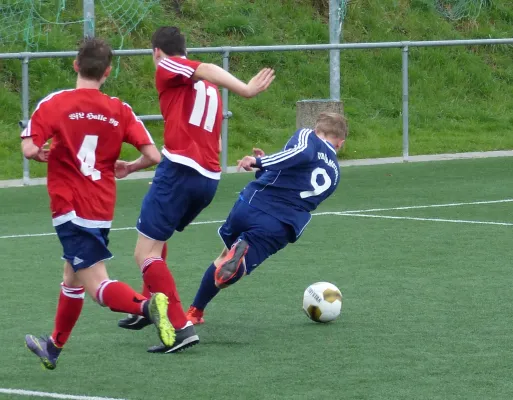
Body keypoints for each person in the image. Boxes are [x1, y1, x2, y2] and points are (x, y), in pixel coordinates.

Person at [116, 26, 275, 354]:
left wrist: (245, 89)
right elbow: (210, 137)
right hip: (206, 178)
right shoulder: (208, 93)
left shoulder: (168, 65)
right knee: (156, 243)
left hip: (180, 173)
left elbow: (205, 68)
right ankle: (150, 305)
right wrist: (141, 167)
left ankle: (180, 325)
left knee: (143, 254)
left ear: (157, 52)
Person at [21, 38, 175, 370]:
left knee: (96, 285)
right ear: (107, 72)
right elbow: (153, 155)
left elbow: (29, 148)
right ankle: (54, 347)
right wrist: (130, 166)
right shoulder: (120, 109)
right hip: (101, 210)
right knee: (72, 277)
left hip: (69, 208)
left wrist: (40, 152)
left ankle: (148, 307)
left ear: (76, 65)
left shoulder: (56, 103)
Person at [185, 112, 348, 324]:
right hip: (280, 225)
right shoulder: (335, 174)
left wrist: (261, 161)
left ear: (317, 130)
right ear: (341, 143)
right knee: (233, 271)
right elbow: (297, 180)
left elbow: (300, 153)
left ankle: (195, 312)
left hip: (251, 204)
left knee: (224, 257)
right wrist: (267, 162)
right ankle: (235, 263)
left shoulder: (308, 135)